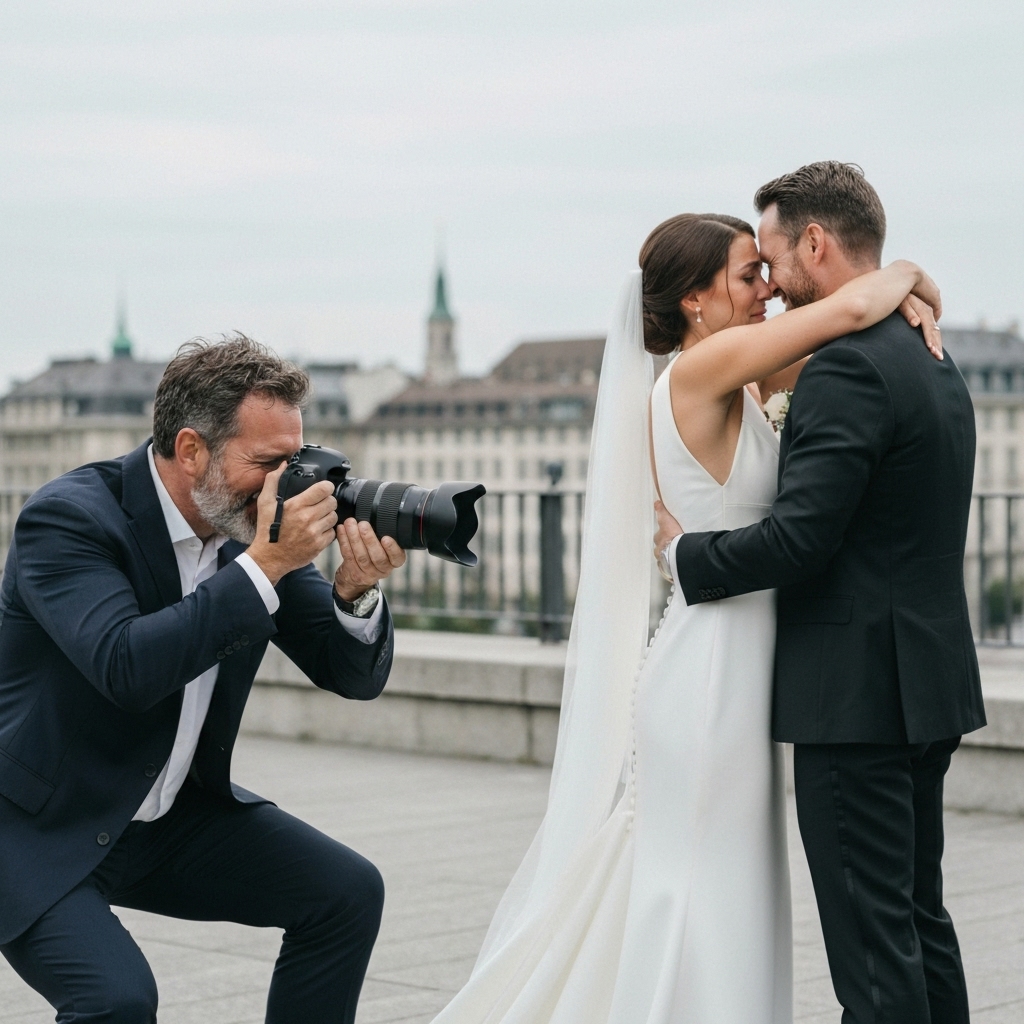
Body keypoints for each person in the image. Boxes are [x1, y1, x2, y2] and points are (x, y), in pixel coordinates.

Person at [431, 175, 944, 1024]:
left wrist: (910, 291)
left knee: (732, 888)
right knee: (702, 885)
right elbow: (854, 313)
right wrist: (910, 274)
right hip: (707, 679)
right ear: (697, 301)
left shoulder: (743, 374)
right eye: (749, 275)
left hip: (737, 667)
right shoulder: (703, 368)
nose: (768, 288)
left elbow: (859, 333)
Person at [659, 162, 984, 1023]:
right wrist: (908, 277)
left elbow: (802, 538)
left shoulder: (844, 368)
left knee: (873, 953)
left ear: (814, 242)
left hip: (855, 696)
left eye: (772, 260)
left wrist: (687, 558)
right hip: (927, 677)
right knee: (919, 919)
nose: (769, 285)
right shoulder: (930, 353)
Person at [0, 336, 406, 1024]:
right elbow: (127, 667)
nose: (290, 483)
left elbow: (348, 673)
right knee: (117, 1000)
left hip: (165, 819)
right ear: (191, 451)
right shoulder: (68, 520)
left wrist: (357, 594)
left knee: (346, 893)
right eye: (268, 463)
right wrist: (267, 564)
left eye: (295, 460)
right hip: (37, 824)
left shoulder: (245, 531)